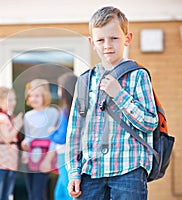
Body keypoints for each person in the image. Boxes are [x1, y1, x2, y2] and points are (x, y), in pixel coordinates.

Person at [65, 6, 159, 200]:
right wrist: (74, 171)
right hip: (91, 173)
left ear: (127, 38)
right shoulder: (85, 81)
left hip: (129, 171)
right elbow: (75, 130)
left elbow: (150, 123)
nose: (107, 45)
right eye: (100, 40)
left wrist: (119, 94)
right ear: (92, 42)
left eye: (114, 38)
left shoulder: (138, 76)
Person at [21, 79, 59, 200]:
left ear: (45, 96)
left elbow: (54, 140)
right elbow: (29, 136)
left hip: (44, 156)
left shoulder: (53, 113)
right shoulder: (28, 116)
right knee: (32, 194)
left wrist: (48, 159)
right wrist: (25, 148)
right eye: (31, 96)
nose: (33, 99)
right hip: (31, 157)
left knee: (39, 193)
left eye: (37, 96)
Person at [0, 87, 23, 200]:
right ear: (0, 101)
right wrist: (18, 124)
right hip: (0, 163)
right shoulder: (0, 117)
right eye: (10, 100)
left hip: (9, 163)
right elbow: (7, 137)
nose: (13, 103)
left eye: (14, 100)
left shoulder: (8, 116)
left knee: (4, 196)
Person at [50, 72, 77, 200]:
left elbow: (62, 137)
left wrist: (51, 132)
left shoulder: (65, 110)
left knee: (65, 191)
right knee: (60, 191)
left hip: (64, 154)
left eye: (60, 87)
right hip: (67, 153)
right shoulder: (74, 109)